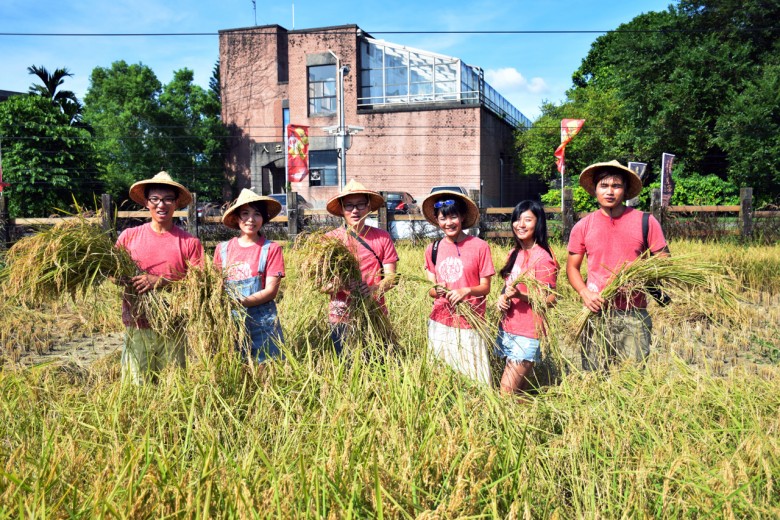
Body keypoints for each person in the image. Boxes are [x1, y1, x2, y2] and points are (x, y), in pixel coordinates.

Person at [566, 160, 669, 371]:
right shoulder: (583, 226)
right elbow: (572, 268)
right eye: (604, 186)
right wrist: (584, 292)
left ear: (625, 190)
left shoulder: (646, 221)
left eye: (616, 186)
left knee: (632, 379)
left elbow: (664, 261)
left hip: (633, 313)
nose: (610, 191)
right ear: (595, 190)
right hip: (596, 312)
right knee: (593, 377)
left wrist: (641, 275)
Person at [116, 171, 204, 384]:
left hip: (173, 326)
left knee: (172, 387)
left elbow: (200, 284)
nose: (161, 204)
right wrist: (124, 279)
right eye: (155, 199)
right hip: (137, 324)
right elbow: (113, 273)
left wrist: (162, 281)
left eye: (167, 199)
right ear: (146, 202)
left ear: (176, 204)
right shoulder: (129, 236)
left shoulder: (190, 242)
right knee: (136, 387)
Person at [422, 190, 494, 384]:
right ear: (437, 220)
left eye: (453, 216)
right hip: (440, 321)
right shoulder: (433, 249)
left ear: (462, 217)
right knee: (441, 377)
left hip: (470, 322)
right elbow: (430, 289)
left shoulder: (480, 246)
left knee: (474, 377)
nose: (449, 223)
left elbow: (486, 287)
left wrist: (466, 290)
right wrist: (436, 290)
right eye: (443, 218)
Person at [324, 180, 399, 353]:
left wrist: (375, 288)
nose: (355, 210)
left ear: (369, 207)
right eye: (349, 205)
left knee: (378, 365)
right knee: (345, 367)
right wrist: (339, 285)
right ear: (342, 209)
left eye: (360, 205)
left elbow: (392, 277)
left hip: (375, 314)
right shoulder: (330, 241)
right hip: (341, 316)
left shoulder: (382, 237)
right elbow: (321, 284)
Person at [215, 189, 285, 364]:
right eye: (245, 214)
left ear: (264, 218)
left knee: (267, 371)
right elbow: (216, 287)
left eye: (257, 214)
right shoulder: (222, 249)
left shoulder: (271, 249)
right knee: (235, 369)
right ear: (237, 218)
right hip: (230, 322)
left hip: (263, 323)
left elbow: (271, 291)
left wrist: (240, 302)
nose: (251, 220)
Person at [496, 200, 558, 395]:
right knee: (517, 392)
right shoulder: (514, 253)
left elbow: (550, 300)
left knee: (506, 392)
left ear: (538, 223)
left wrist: (521, 295)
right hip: (507, 328)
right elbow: (507, 286)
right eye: (517, 219)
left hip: (528, 332)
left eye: (527, 220)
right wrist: (501, 299)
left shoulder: (543, 258)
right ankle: (526, 419)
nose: (520, 224)